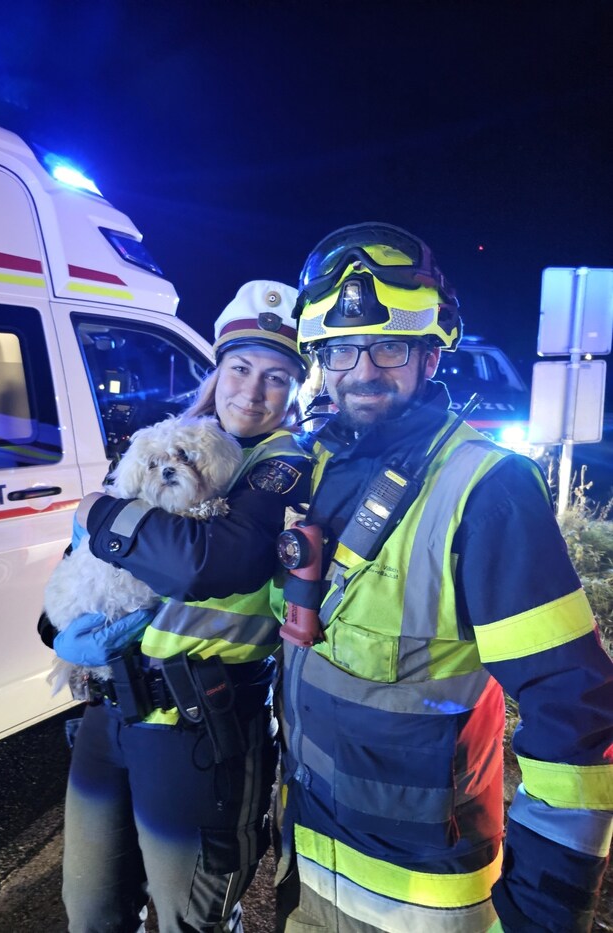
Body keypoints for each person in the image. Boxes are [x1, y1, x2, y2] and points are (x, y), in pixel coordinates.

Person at [272, 222, 613, 933]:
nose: (363, 370)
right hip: (308, 865)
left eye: (390, 346)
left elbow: (574, 712)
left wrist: (545, 911)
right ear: (319, 358)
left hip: (425, 900)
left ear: (432, 355)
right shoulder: (315, 468)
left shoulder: (488, 488)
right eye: (340, 349)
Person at [43, 280, 313, 933]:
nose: (252, 391)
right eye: (240, 368)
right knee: (92, 910)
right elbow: (86, 563)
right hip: (111, 715)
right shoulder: (170, 443)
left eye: (276, 377)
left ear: (296, 389)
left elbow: (207, 559)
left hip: (201, 729)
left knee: (188, 919)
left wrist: (100, 509)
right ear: (217, 372)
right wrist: (55, 627)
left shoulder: (284, 466)